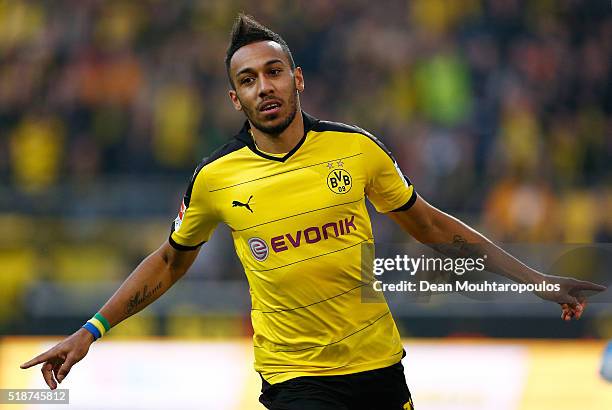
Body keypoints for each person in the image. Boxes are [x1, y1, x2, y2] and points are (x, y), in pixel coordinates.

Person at [21, 14, 605, 410]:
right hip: (295, 380)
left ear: (296, 79)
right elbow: (170, 261)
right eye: (248, 80)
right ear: (235, 99)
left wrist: (542, 281)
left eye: (273, 72)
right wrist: (89, 331)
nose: (264, 87)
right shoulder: (215, 177)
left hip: (378, 366)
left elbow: (436, 230)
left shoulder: (357, 150)